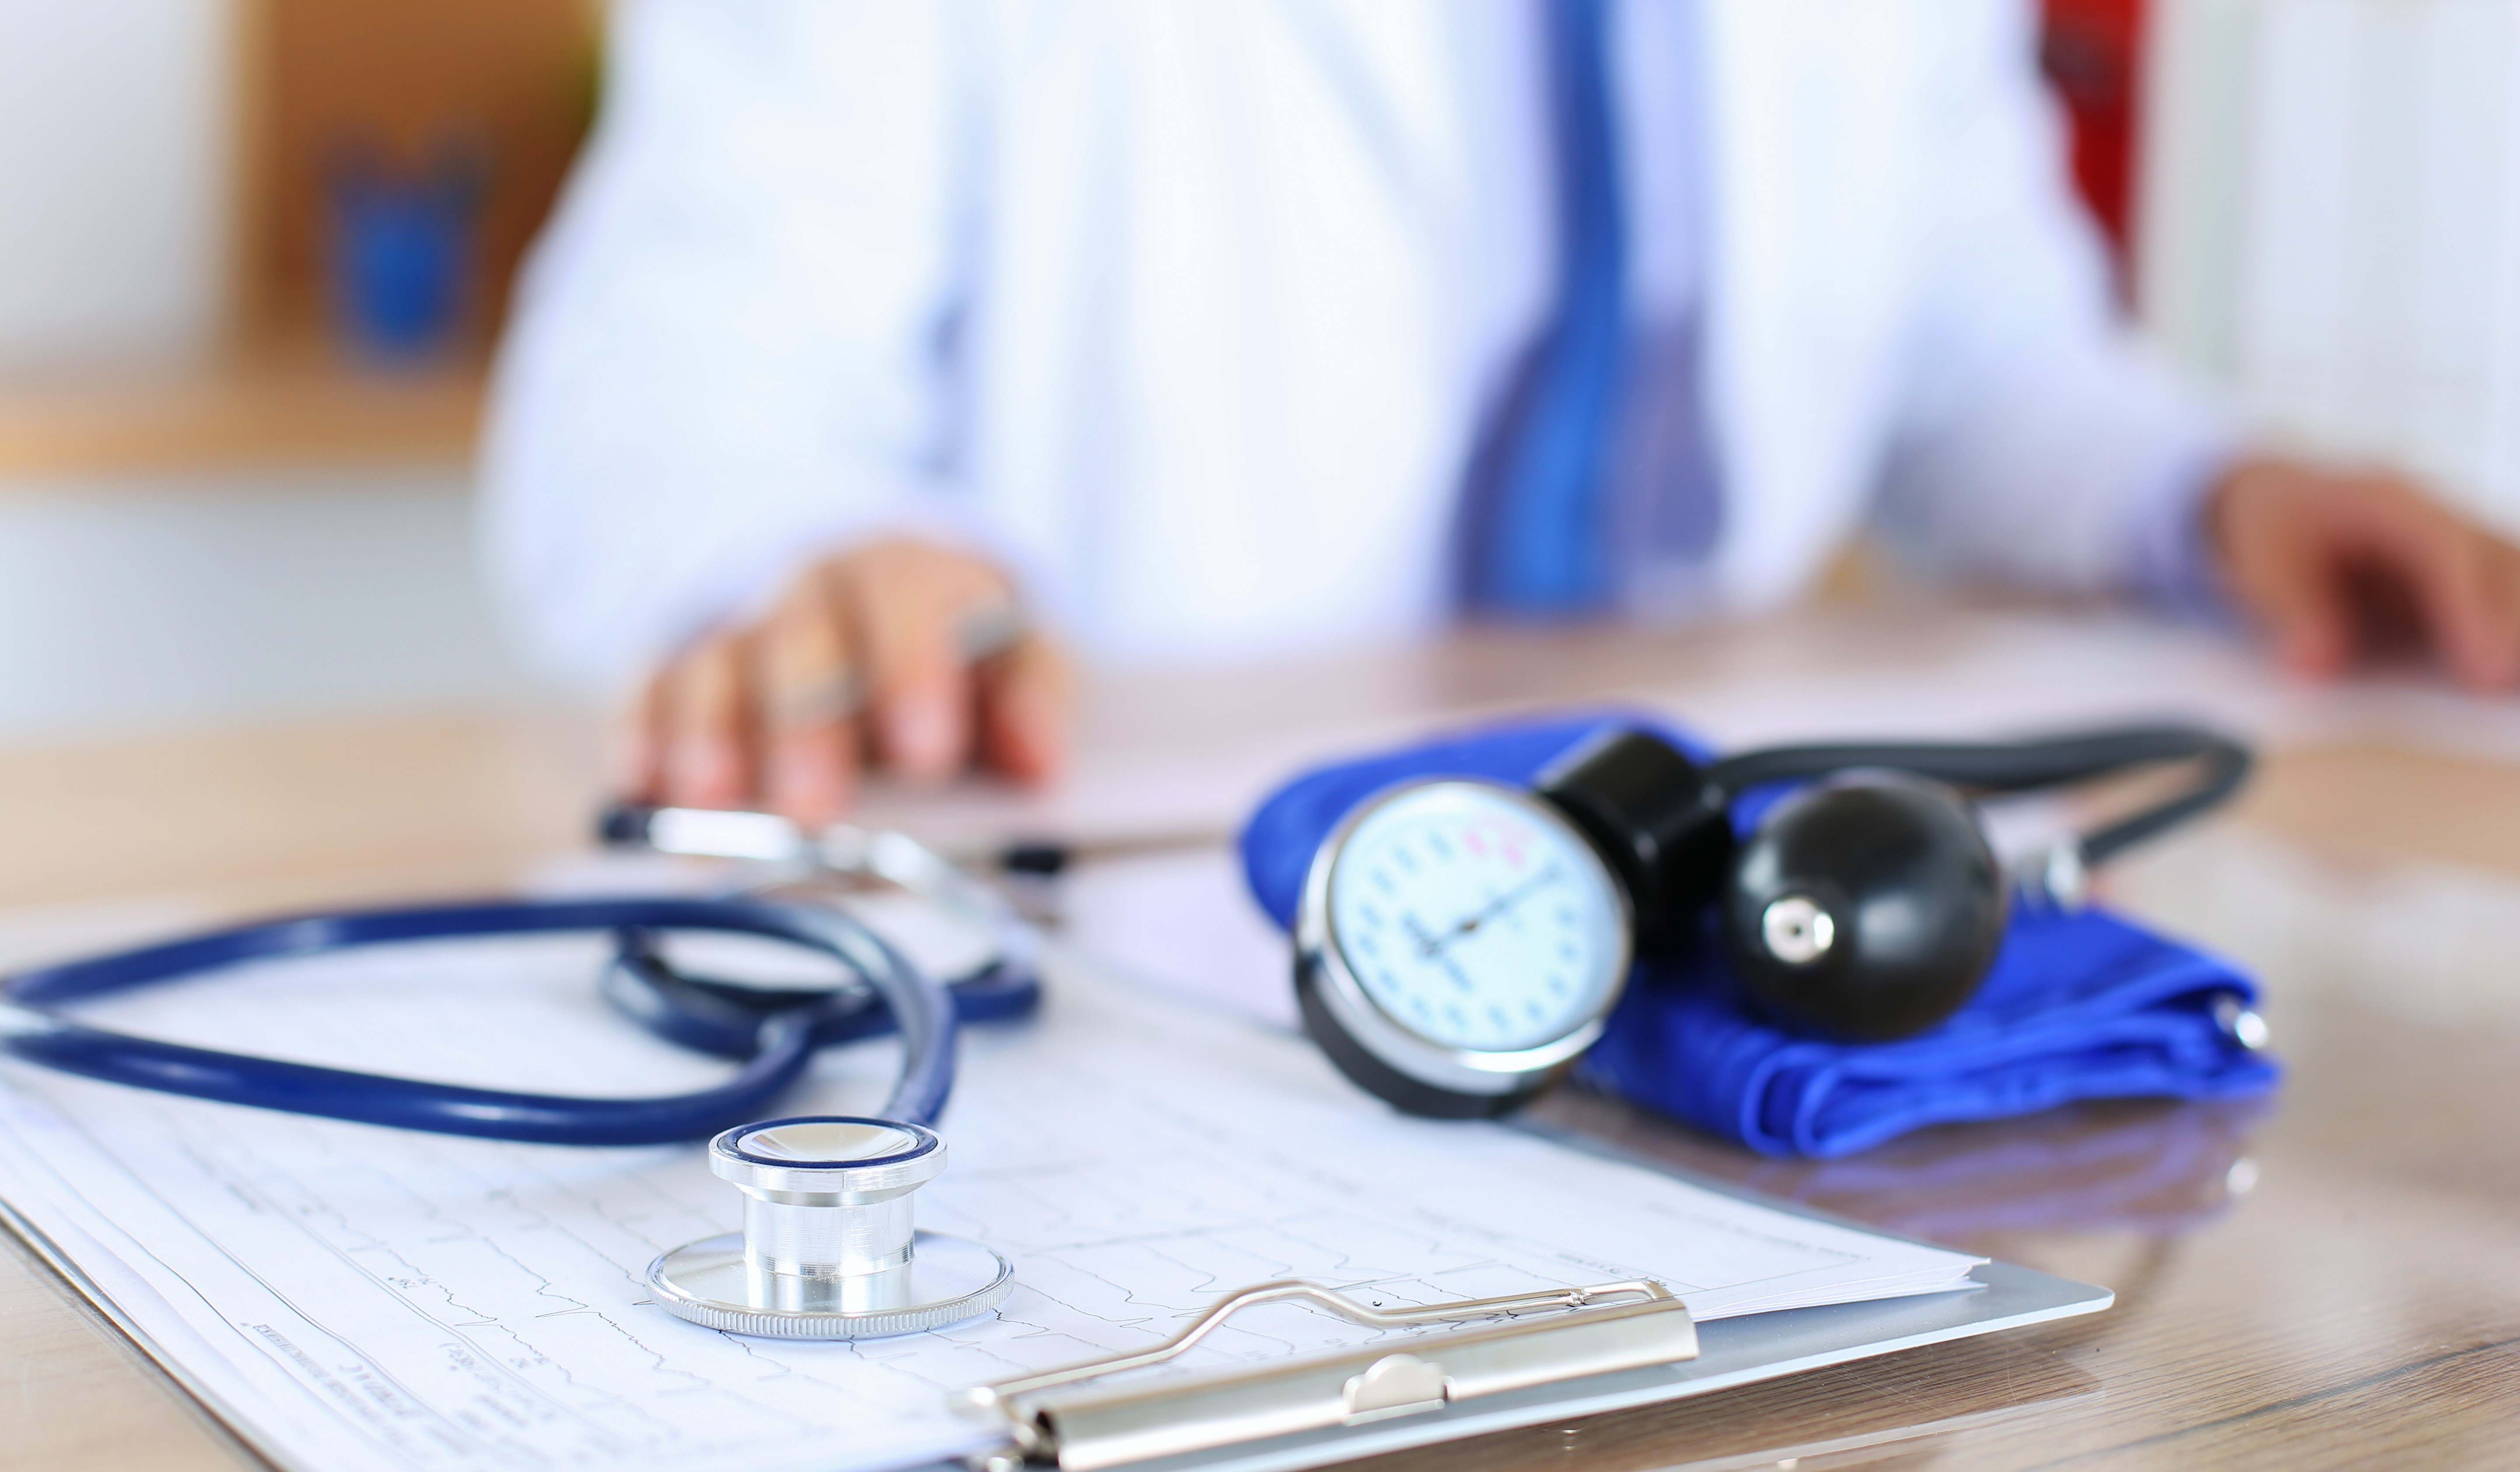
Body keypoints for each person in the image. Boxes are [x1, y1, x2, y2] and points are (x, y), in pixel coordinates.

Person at [484, 0, 2520, 828]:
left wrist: (2210, 490)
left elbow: (1973, 349)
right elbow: (676, 365)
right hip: (1131, 852)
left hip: (1697, 863)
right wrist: (806, 553)